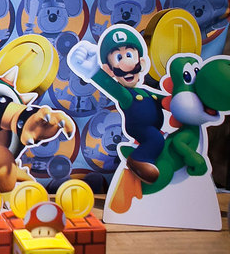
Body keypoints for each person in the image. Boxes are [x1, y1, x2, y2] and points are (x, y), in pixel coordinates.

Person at [67, 24, 167, 183]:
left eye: (129, 55)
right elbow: (110, 86)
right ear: (109, 69)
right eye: (119, 58)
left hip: (157, 126)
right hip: (142, 129)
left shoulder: (145, 91)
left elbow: (163, 99)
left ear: (141, 62)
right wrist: (92, 71)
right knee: (156, 140)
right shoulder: (126, 96)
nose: (126, 63)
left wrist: (174, 101)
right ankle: (139, 159)